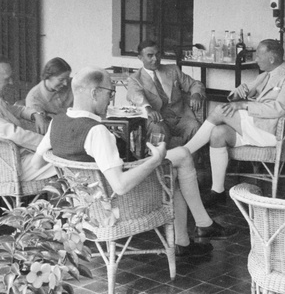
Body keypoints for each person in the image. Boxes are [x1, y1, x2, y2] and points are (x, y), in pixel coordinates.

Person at [34, 67, 236, 257]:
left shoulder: (56, 123)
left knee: (181, 155)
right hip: (120, 205)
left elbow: (38, 164)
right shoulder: (96, 132)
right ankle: (186, 238)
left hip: (84, 204)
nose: (111, 100)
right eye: (109, 93)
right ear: (94, 93)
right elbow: (120, 186)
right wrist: (155, 160)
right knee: (173, 170)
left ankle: (195, 230)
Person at [184, 39, 285, 206]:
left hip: (271, 132)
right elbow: (246, 90)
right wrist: (240, 92)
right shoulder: (266, 74)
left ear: (272, 58)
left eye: (260, 55)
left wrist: (245, 104)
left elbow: (278, 108)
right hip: (256, 127)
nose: (256, 59)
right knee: (218, 133)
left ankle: (185, 152)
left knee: (220, 111)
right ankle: (217, 191)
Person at [127, 40, 206, 147]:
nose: (155, 59)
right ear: (140, 58)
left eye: (157, 54)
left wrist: (196, 94)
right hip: (158, 119)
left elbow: (195, 84)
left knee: (194, 126)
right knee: (158, 128)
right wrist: (148, 109)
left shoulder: (173, 70)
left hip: (180, 117)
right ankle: (159, 162)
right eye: (150, 56)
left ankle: (190, 161)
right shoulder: (135, 79)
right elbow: (136, 95)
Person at [0, 56, 56, 183]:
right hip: (10, 167)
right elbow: (16, 134)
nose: (11, 82)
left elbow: (16, 110)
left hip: (18, 159)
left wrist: (35, 114)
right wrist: (50, 144)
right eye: (7, 79)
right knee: (65, 160)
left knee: (66, 159)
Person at [26, 57, 73, 134]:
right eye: (61, 79)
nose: (65, 83)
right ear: (48, 76)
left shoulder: (73, 84)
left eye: (67, 79)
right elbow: (41, 126)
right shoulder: (34, 98)